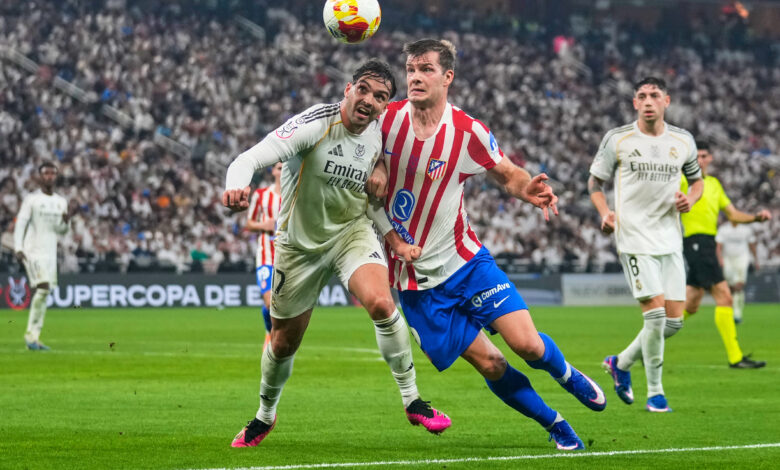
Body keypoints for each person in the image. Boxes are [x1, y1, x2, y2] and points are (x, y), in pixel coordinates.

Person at [367, 39, 605, 452]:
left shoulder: (466, 131)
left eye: (426, 69)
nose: (415, 77)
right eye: (411, 69)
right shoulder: (385, 120)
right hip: (415, 282)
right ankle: (554, 423)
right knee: (493, 364)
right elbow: (363, 158)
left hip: (466, 262)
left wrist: (528, 189)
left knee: (527, 344)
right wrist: (378, 165)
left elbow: (507, 173)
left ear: (447, 77)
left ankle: (566, 373)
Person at [222, 59, 450, 448]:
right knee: (282, 343)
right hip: (299, 246)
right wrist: (236, 185)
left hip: (350, 234)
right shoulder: (313, 124)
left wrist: (385, 188)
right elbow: (248, 159)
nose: (370, 100)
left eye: (380, 97)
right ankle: (264, 415)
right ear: (348, 89)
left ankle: (413, 400)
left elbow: (374, 191)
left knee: (382, 304)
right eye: (363, 90)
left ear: (384, 106)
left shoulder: (379, 133)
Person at [589, 77, 703, 413]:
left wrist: (690, 199)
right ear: (635, 103)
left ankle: (621, 362)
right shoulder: (618, 139)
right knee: (655, 317)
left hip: (670, 238)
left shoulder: (683, 140)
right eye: (642, 96)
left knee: (674, 322)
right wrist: (605, 213)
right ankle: (656, 393)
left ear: (667, 101)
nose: (648, 100)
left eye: (655, 95)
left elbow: (697, 181)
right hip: (634, 237)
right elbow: (595, 182)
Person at [680, 141, 771, 368]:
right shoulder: (681, 181)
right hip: (695, 241)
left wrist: (756, 218)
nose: (700, 160)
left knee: (691, 304)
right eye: (696, 156)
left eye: (704, 156)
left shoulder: (714, 184)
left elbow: (733, 215)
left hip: (707, 243)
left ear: (710, 158)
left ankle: (647, 345)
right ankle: (735, 357)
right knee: (725, 297)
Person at [13, 161, 73, 350]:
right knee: (43, 288)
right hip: (32, 251)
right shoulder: (32, 199)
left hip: (50, 254)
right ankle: (30, 336)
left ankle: (34, 337)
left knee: (44, 293)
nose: (49, 176)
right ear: (40, 177)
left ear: (56, 176)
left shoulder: (61, 202)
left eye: (52, 173)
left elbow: (62, 231)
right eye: (46, 173)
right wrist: (18, 247)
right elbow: (21, 223)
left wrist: (66, 223)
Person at [245, 162, 282, 349]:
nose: (282, 171)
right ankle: (270, 332)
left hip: (288, 259)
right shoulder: (261, 195)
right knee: (269, 301)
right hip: (266, 257)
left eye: (285, 167)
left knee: (282, 305)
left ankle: (278, 336)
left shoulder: (296, 196)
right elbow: (249, 223)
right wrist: (263, 225)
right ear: (273, 171)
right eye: (279, 168)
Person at [716, 221, 758, 324]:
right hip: (727, 260)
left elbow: (752, 245)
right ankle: (732, 310)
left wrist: (756, 259)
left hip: (742, 258)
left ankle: (737, 313)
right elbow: (719, 246)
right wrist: (720, 259)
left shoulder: (746, 229)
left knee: (739, 285)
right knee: (731, 287)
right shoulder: (723, 229)